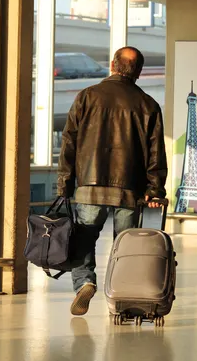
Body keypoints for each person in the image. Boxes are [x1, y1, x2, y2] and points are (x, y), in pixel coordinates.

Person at [57, 46, 167, 316]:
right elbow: (155, 154)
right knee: (126, 244)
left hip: (90, 186)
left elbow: (69, 143)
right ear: (138, 72)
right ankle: (124, 295)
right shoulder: (148, 105)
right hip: (129, 189)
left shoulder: (87, 96)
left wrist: (65, 184)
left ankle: (85, 282)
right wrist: (154, 189)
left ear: (112, 65)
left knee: (84, 238)